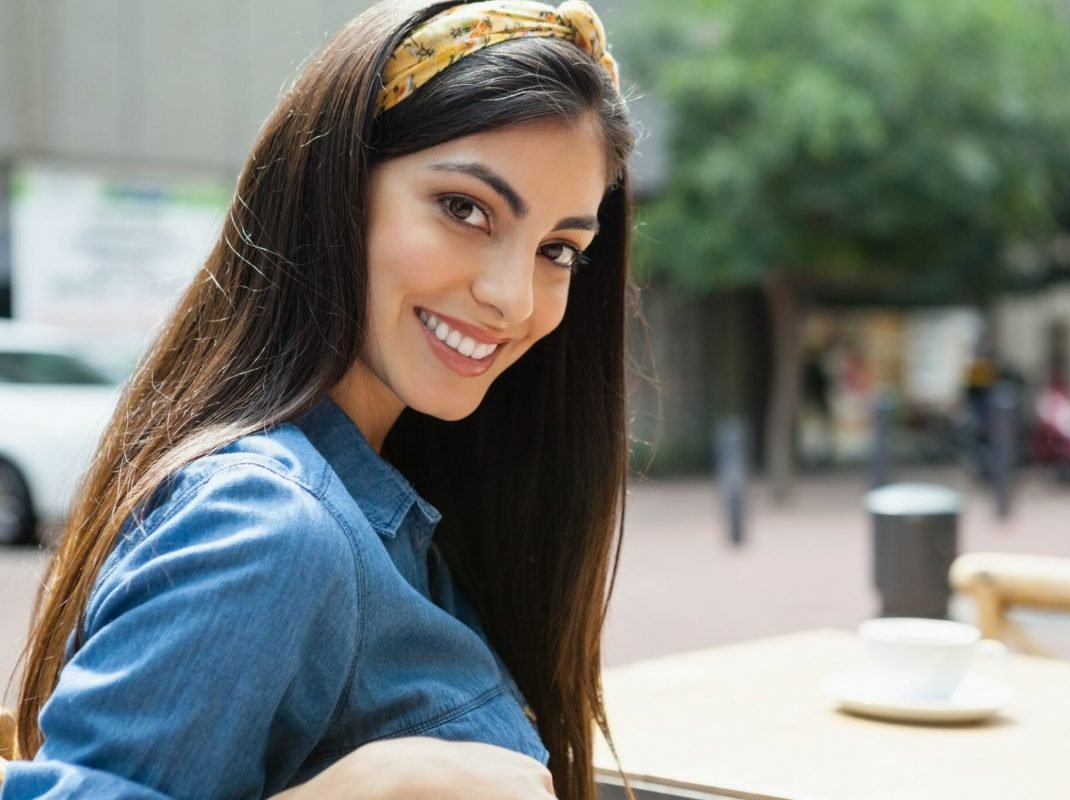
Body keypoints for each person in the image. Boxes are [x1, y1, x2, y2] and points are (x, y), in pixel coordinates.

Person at [0, 1, 635, 798]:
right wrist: (367, 788)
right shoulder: (269, 525)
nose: (513, 296)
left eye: (557, 250)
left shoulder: (395, 504)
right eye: (465, 208)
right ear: (332, 188)